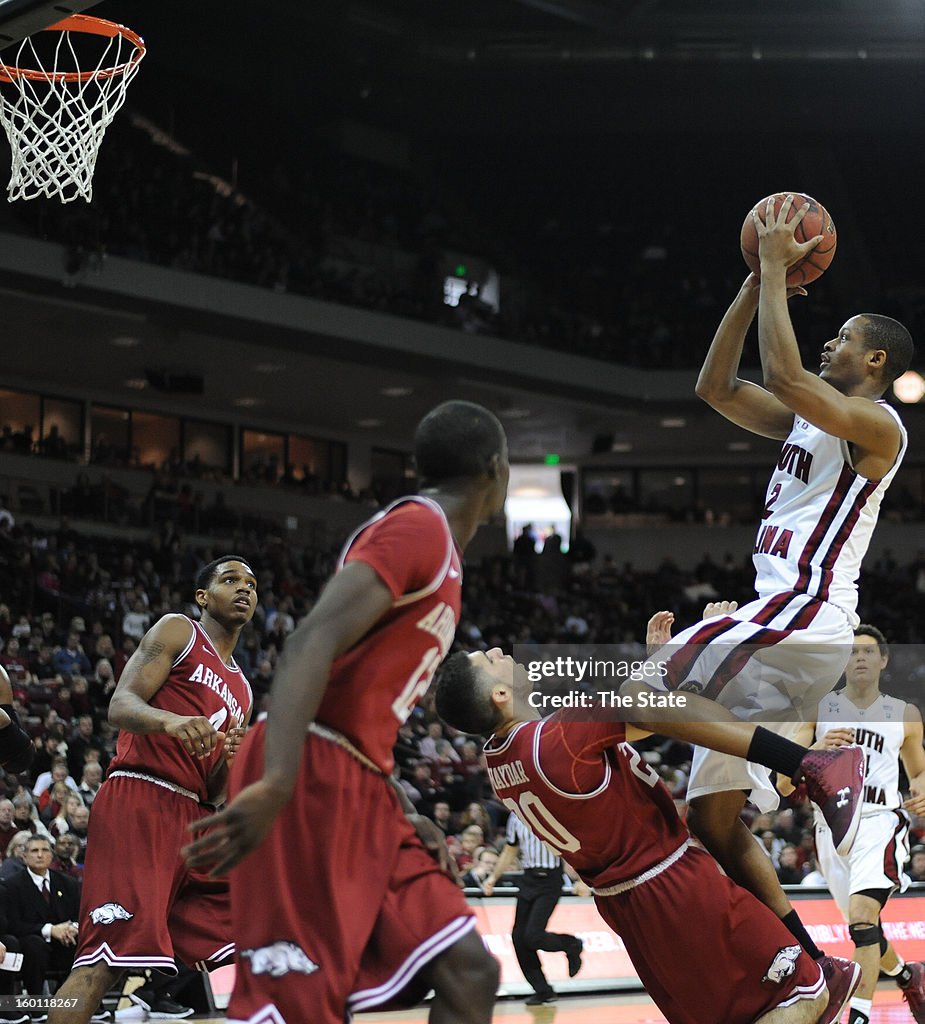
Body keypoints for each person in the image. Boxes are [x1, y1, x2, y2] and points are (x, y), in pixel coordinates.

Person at [642, 196, 914, 978]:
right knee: (714, 821)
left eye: (844, 338)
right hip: (780, 619)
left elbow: (783, 372)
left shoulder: (880, 426)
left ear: (874, 365)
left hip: (806, 613)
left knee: (638, 691)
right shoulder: (805, 422)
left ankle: (810, 767)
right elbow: (715, 386)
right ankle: (809, 960)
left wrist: (769, 268)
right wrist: (747, 289)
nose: (830, 340)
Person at [184, 401, 509, 1024]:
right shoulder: (420, 526)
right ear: (496, 469)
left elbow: (363, 707)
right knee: (297, 1008)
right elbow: (309, 640)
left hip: (364, 782)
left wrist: (408, 812)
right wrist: (278, 780)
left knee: (470, 970)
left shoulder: (442, 547)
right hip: (308, 768)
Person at [434, 647, 851, 1024]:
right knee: (802, 995)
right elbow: (652, 710)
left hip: (625, 904)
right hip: (674, 885)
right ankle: (808, 763)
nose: (497, 651)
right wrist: (692, 651)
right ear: (500, 695)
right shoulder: (561, 735)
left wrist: (657, 663)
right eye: (488, 660)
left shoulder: (500, 761)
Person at [45, 555, 257, 1024]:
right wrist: (171, 721)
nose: (244, 589)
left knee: (258, 924)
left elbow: (215, 790)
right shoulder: (179, 631)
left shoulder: (242, 687)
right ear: (204, 597)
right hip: (140, 795)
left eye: (251, 583)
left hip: (194, 815)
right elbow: (120, 705)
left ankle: (146, 996)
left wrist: (230, 763)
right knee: (102, 962)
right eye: (230, 580)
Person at [778, 625, 925, 1024]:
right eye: (852, 652)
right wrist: (810, 752)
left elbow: (919, 772)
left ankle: (857, 1016)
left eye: (867, 651)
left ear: (883, 660)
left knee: (862, 916)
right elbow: (782, 781)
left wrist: (922, 792)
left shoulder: (904, 714)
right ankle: (909, 975)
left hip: (881, 819)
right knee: (865, 929)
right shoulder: (818, 709)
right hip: (831, 827)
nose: (859, 658)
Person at [482, 813, 583, 1004]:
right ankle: (543, 990)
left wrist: (583, 880)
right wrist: (493, 878)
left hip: (550, 880)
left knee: (533, 936)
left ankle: (571, 944)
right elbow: (510, 850)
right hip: (528, 879)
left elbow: (572, 848)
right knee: (519, 938)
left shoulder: (550, 810)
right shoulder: (514, 817)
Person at [4, 836, 81, 998]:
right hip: (32, 940)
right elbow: (13, 924)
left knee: (84, 943)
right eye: (34, 851)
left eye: (45, 850)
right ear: (24, 857)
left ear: (52, 855)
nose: (40, 855)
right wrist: (50, 930)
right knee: (34, 945)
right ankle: (36, 1003)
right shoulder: (11, 886)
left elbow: (80, 914)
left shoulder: (68, 883)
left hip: (65, 940)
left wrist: (73, 928)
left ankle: (85, 1002)